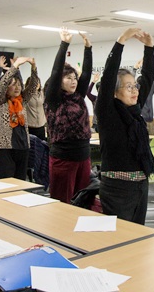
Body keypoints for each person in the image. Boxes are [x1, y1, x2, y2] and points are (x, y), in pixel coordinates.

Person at [95, 28, 154, 224]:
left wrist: (149, 47)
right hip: (117, 188)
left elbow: (147, 77)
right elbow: (108, 77)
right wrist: (121, 41)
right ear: (115, 92)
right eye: (128, 86)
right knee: (119, 239)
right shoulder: (107, 113)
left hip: (140, 185)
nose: (135, 90)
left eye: (134, 86)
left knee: (138, 236)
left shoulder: (135, 113)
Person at [44, 28, 93, 203]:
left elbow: (86, 75)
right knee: (62, 202)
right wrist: (64, 45)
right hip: (63, 157)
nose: (73, 81)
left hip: (83, 155)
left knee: (82, 199)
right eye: (68, 78)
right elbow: (56, 72)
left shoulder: (78, 96)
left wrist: (88, 49)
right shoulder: (53, 99)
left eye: (74, 78)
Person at [0, 57, 39, 180]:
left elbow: (33, 86)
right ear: (7, 89)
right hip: (5, 148)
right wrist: (15, 66)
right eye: (13, 85)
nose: (17, 88)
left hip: (22, 146)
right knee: (5, 181)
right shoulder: (0, 103)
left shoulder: (22, 102)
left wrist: (33, 67)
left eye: (19, 85)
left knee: (20, 181)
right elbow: (2, 85)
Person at [133, 59, 154, 135]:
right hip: (139, 121)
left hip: (150, 121)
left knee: (150, 144)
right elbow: (130, 82)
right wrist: (134, 69)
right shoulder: (134, 92)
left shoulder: (149, 91)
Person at [24, 67, 47, 141]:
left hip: (41, 127)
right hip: (30, 127)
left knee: (42, 149)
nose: (37, 84)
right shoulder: (26, 96)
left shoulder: (42, 94)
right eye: (34, 82)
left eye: (38, 82)